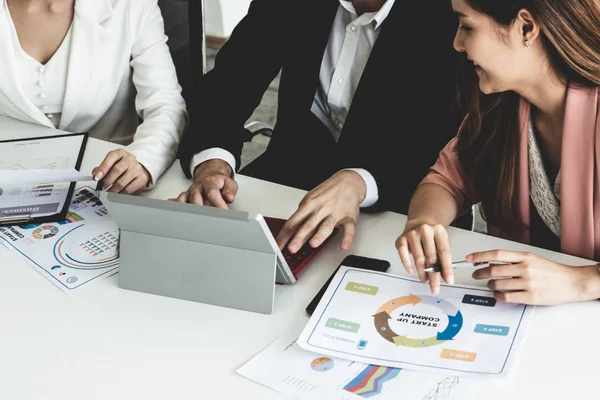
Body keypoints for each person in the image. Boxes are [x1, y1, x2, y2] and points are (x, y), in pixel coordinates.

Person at [175, 0, 465, 255]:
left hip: (405, 204)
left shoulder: (452, 14)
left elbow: (451, 146)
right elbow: (229, 84)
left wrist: (361, 182)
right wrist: (214, 163)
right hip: (290, 181)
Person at [395, 0, 600, 305]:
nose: (457, 44)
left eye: (467, 26)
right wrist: (424, 222)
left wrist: (582, 282)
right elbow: (447, 180)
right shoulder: (500, 107)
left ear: (526, 27)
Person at [0, 0, 188, 194]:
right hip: (8, 185)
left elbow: (165, 104)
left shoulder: (130, 5)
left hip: (107, 185)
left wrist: (144, 158)